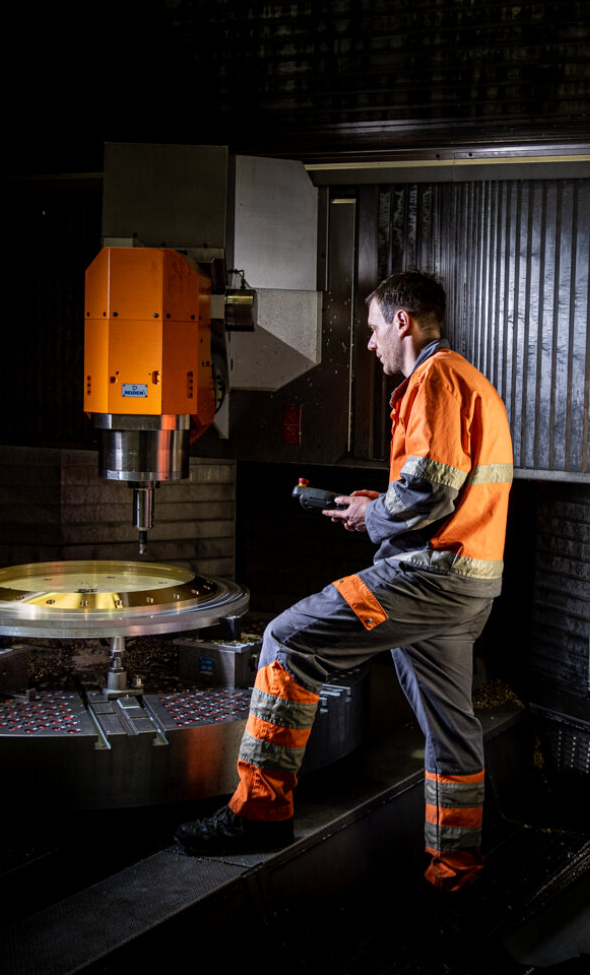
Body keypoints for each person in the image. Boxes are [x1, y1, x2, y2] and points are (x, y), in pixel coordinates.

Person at [175, 270, 513, 892]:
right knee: (452, 733)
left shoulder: (433, 379)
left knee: (287, 640)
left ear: (402, 323)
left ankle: (260, 812)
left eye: (373, 328)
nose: (369, 343)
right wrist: (378, 505)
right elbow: (443, 487)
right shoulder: (469, 382)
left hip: (426, 578)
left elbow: (429, 491)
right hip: (468, 585)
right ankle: (457, 878)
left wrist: (375, 513)